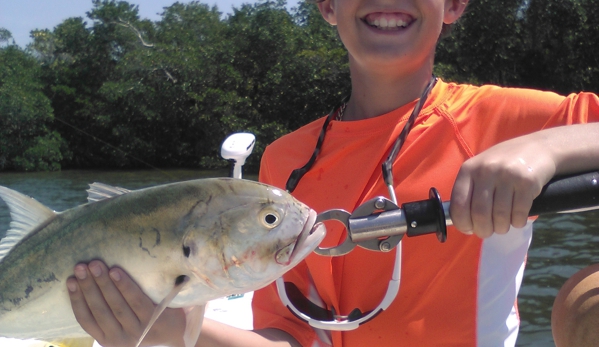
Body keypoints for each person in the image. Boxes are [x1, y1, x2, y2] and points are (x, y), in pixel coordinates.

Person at [66, 0, 599, 346]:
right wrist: (182, 332)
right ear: (327, 5)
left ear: (454, 4)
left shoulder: (507, 119)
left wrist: (544, 149)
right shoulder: (282, 164)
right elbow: (290, 334)